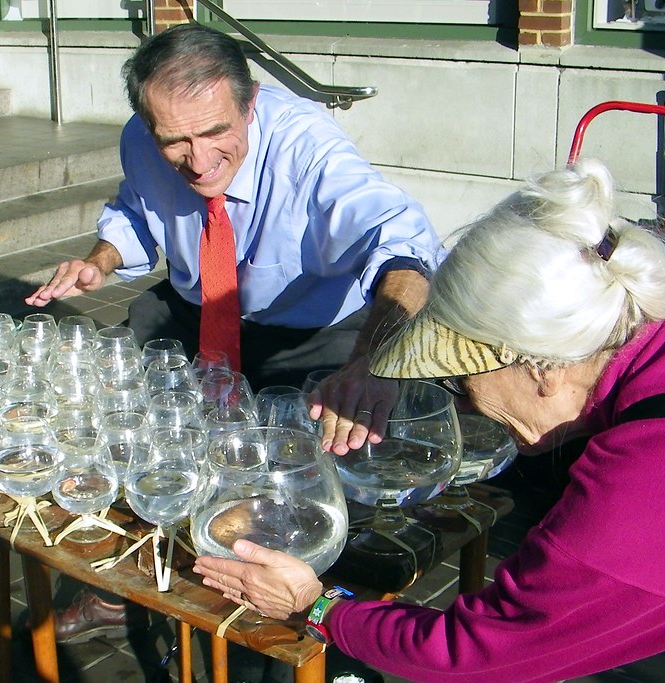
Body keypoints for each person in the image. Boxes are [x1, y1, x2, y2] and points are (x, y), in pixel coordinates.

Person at [193, 159, 665, 682]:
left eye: (465, 377)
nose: (468, 400)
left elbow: (474, 655)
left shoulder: (635, 497)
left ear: (541, 365)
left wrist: (319, 607)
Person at [23, 23, 443, 648]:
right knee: (147, 448)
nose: (198, 160)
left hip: (311, 333)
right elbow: (139, 210)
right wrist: (101, 261)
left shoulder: (308, 147)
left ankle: (279, 630)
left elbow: (403, 246)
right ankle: (129, 581)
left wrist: (372, 360)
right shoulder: (142, 138)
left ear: (250, 104)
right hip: (196, 315)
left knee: (279, 493)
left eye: (216, 132)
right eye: (176, 142)